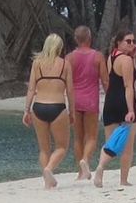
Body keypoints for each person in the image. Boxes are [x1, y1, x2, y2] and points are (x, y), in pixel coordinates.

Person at [22, 33, 75, 189]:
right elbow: (70, 91)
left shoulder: (36, 64)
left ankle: (47, 183)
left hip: (38, 107)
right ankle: (49, 169)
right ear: (60, 47)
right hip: (57, 107)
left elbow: (31, 90)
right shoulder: (65, 64)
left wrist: (26, 110)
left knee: (44, 148)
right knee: (62, 146)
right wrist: (72, 112)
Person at [94, 27, 136, 188]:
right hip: (124, 103)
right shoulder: (125, 60)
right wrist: (131, 110)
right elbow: (128, 86)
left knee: (111, 142)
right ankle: (123, 180)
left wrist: (133, 56)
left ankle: (101, 167)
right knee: (127, 146)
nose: (132, 44)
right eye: (128, 41)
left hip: (110, 102)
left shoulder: (111, 57)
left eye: (134, 41)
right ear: (119, 42)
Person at [68, 26, 108, 180]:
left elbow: (67, 81)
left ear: (76, 39)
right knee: (91, 137)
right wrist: (110, 95)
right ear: (90, 38)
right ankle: (85, 160)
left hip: (75, 100)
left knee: (78, 138)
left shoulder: (69, 58)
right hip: (91, 100)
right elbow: (104, 80)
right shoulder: (98, 57)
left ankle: (80, 172)